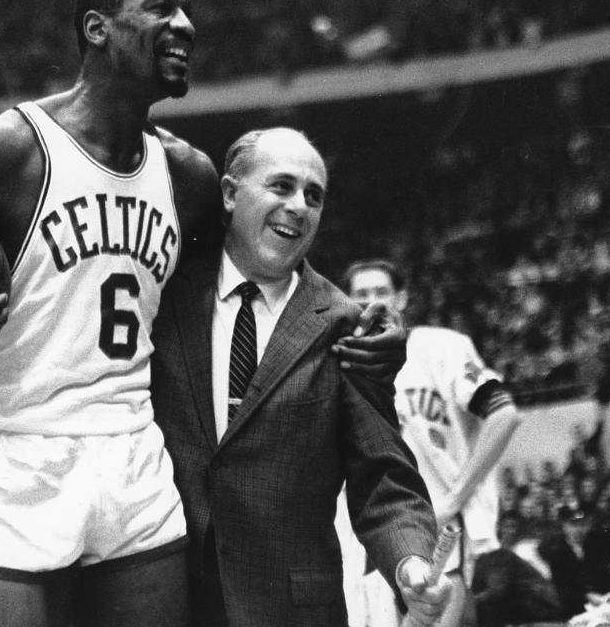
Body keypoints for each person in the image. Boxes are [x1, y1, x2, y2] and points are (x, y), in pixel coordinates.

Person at [0, 0, 405, 627]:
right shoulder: (5, 150)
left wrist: (357, 323)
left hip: (130, 448)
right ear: (98, 28)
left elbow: (270, 264)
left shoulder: (186, 174)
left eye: (189, 10)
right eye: (163, 8)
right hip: (13, 446)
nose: (186, 24)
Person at [149, 127, 450, 627]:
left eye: (314, 196)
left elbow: (385, 478)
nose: (299, 206)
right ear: (229, 193)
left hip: (292, 611)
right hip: (171, 601)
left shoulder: (345, 325)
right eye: (281, 186)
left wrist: (410, 563)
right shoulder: (167, 292)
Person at [340, 259, 522, 627]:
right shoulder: (341, 360)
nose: (371, 301)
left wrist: (455, 498)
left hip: (436, 525)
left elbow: (504, 414)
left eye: (382, 292)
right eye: (361, 295)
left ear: (402, 299)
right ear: (345, 301)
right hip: (367, 534)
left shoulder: (442, 348)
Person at [470, 512, 561, 627]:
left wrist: (468, 602)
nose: (512, 531)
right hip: (531, 603)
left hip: (541, 606)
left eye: (514, 527)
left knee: (490, 604)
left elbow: (496, 591)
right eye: (508, 526)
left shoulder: (501, 555)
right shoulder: (486, 556)